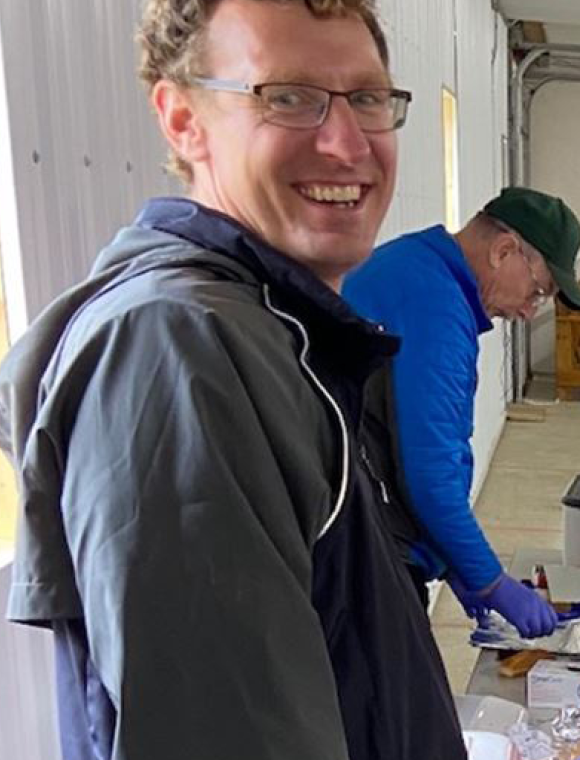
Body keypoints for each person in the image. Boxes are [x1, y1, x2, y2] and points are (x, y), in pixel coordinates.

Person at [0, 2, 465, 759]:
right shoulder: (180, 349)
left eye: (368, 99)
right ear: (183, 120)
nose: (347, 144)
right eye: (287, 97)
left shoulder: (278, 333)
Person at [343, 187, 580, 637]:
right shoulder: (435, 306)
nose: (530, 311)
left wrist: (453, 561)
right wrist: (491, 581)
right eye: (538, 291)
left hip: (360, 531)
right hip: (359, 554)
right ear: (504, 250)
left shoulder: (417, 267)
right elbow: (430, 474)